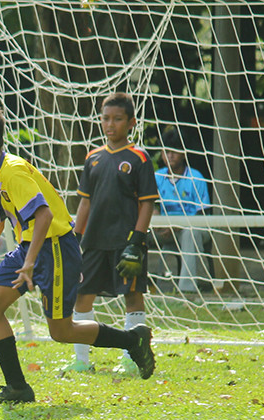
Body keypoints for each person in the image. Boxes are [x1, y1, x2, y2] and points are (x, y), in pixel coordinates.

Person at [0, 106, 155, 404]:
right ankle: (18, 388)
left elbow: (45, 216)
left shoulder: (12, 171)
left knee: (61, 331)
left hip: (56, 248)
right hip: (30, 249)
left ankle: (132, 340)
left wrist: (29, 262)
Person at [67, 92, 160, 377]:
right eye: (106, 118)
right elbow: (85, 201)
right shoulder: (93, 158)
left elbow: (147, 203)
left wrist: (137, 240)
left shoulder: (139, 158)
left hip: (125, 243)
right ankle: (82, 360)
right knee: (82, 296)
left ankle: (132, 357)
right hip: (93, 242)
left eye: (118, 119)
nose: (111, 124)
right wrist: (74, 237)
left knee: (132, 296)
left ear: (131, 122)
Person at [154, 129, 212, 293]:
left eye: (174, 151)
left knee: (190, 233)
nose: (170, 155)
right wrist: (155, 218)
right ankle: (132, 285)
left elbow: (202, 214)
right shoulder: (156, 176)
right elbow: (146, 204)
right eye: (166, 151)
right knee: (134, 230)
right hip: (163, 229)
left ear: (184, 154)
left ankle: (187, 289)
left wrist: (178, 226)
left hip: (193, 227)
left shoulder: (196, 177)